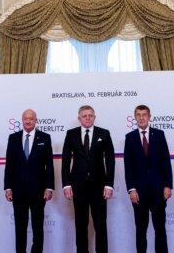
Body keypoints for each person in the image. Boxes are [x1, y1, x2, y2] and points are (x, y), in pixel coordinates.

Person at [62, 105, 115, 253]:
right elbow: (66, 161)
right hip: (78, 187)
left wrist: (109, 185)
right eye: (84, 116)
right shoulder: (71, 134)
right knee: (80, 224)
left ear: (94, 117)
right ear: (79, 118)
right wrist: (66, 184)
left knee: (100, 225)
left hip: (99, 187)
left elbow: (110, 160)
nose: (87, 118)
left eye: (90, 115)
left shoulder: (104, 133)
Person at [4, 109, 55, 253]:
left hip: (39, 191)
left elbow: (49, 165)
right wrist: (7, 187)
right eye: (25, 118)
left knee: (38, 228)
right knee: (20, 228)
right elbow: (9, 165)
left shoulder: (45, 138)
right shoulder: (13, 138)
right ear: (22, 119)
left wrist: (49, 187)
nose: (28, 121)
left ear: (36, 120)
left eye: (31, 118)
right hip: (18, 191)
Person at [124, 104, 173, 253]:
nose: (141, 117)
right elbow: (128, 166)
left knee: (160, 229)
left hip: (158, 190)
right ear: (135, 117)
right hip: (139, 192)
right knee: (141, 229)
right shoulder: (130, 138)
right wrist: (131, 189)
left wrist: (167, 185)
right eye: (138, 115)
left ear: (149, 117)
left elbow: (166, 162)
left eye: (144, 114)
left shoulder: (159, 135)